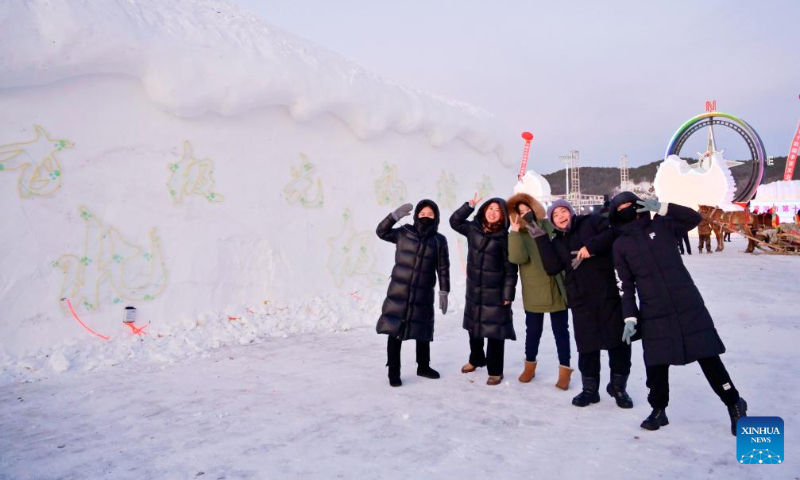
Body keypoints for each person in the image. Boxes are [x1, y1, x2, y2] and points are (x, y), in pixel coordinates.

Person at [609, 192, 747, 435]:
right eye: (621, 208)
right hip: (654, 311)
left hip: (687, 305)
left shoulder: (663, 225)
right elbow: (625, 285)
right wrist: (630, 317)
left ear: (641, 206)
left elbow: (693, 218)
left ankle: (734, 402)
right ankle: (658, 410)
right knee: (656, 364)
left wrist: (662, 207)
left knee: (708, 356)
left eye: (631, 205)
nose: (627, 210)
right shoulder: (620, 245)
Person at [527, 199, 633, 408]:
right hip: (580, 299)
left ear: (570, 211)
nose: (560, 217)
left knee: (618, 343)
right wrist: (540, 237)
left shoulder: (591, 222)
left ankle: (619, 388)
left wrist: (590, 248)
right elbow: (552, 267)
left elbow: (614, 233)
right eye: (555, 215)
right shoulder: (557, 240)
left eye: (563, 211)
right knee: (587, 345)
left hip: (607, 293)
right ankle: (590, 391)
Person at [376, 200, 450, 387]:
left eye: (430, 214)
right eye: (422, 213)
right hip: (399, 291)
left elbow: (443, 268)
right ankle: (394, 371)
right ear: (417, 215)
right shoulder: (404, 232)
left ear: (436, 218)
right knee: (395, 331)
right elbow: (381, 232)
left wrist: (444, 290)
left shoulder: (438, 240)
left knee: (423, 331)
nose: (426, 216)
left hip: (424, 293)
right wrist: (394, 216)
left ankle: (423, 366)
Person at [450, 194, 518, 385]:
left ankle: (495, 370)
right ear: (484, 210)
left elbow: (511, 270)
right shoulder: (473, 229)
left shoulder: (506, 238)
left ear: (503, 215)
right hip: (475, 290)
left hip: (495, 292)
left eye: (497, 210)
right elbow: (454, 221)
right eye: (490, 209)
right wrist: (469, 205)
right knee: (474, 328)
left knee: (495, 333)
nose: (493, 213)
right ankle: (476, 359)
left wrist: (508, 294)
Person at [506, 193, 572, 389]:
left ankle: (564, 371)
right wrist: (515, 233)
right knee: (533, 331)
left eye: (527, 209)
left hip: (556, 285)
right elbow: (518, 259)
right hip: (533, 288)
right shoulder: (519, 233)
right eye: (521, 212)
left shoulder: (547, 224)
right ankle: (529, 366)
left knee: (561, 331)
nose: (525, 214)